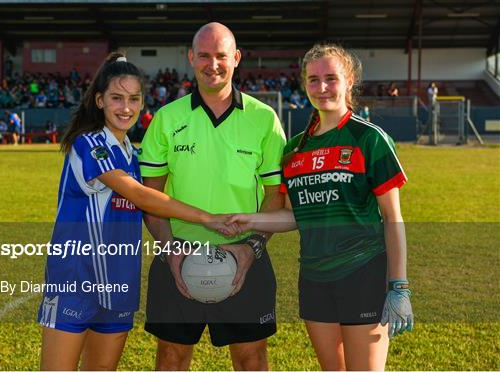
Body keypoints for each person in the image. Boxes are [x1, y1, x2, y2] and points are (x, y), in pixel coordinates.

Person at [37, 52, 234, 371]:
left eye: (133, 99)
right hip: (75, 279)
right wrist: (208, 218)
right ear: (99, 100)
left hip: (119, 283)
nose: (125, 108)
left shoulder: (134, 156)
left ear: (143, 103)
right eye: (116, 98)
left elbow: (152, 209)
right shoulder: (88, 145)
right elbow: (142, 196)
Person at [227, 44, 413, 370]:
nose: (322, 87)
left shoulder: (369, 138)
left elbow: (392, 216)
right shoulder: (294, 149)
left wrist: (398, 286)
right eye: (313, 80)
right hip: (314, 278)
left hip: (364, 273)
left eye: (331, 78)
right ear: (304, 83)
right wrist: (249, 220)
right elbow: (295, 216)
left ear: (349, 80)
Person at [139, 22, 286, 370]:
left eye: (221, 55)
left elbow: (274, 198)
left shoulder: (264, 119)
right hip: (177, 252)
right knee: (171, 357)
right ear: (191, 58)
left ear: (236, 58)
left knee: (251, 357)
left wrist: (251, 248)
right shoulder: (166, 118)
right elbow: (150, 199)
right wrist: (170, 248)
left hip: (245, 257)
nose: (213, 64)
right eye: (204, 55)